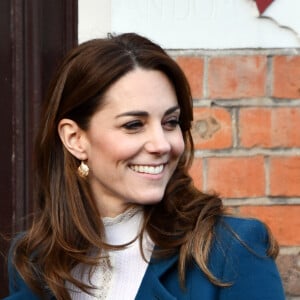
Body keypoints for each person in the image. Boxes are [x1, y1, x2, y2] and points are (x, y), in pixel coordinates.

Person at [6, 33, 284, 300]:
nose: (162, 144)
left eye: (170, 122)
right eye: (134, 125)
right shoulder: (35, 258)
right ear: (75, 139)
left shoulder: (231, 249)